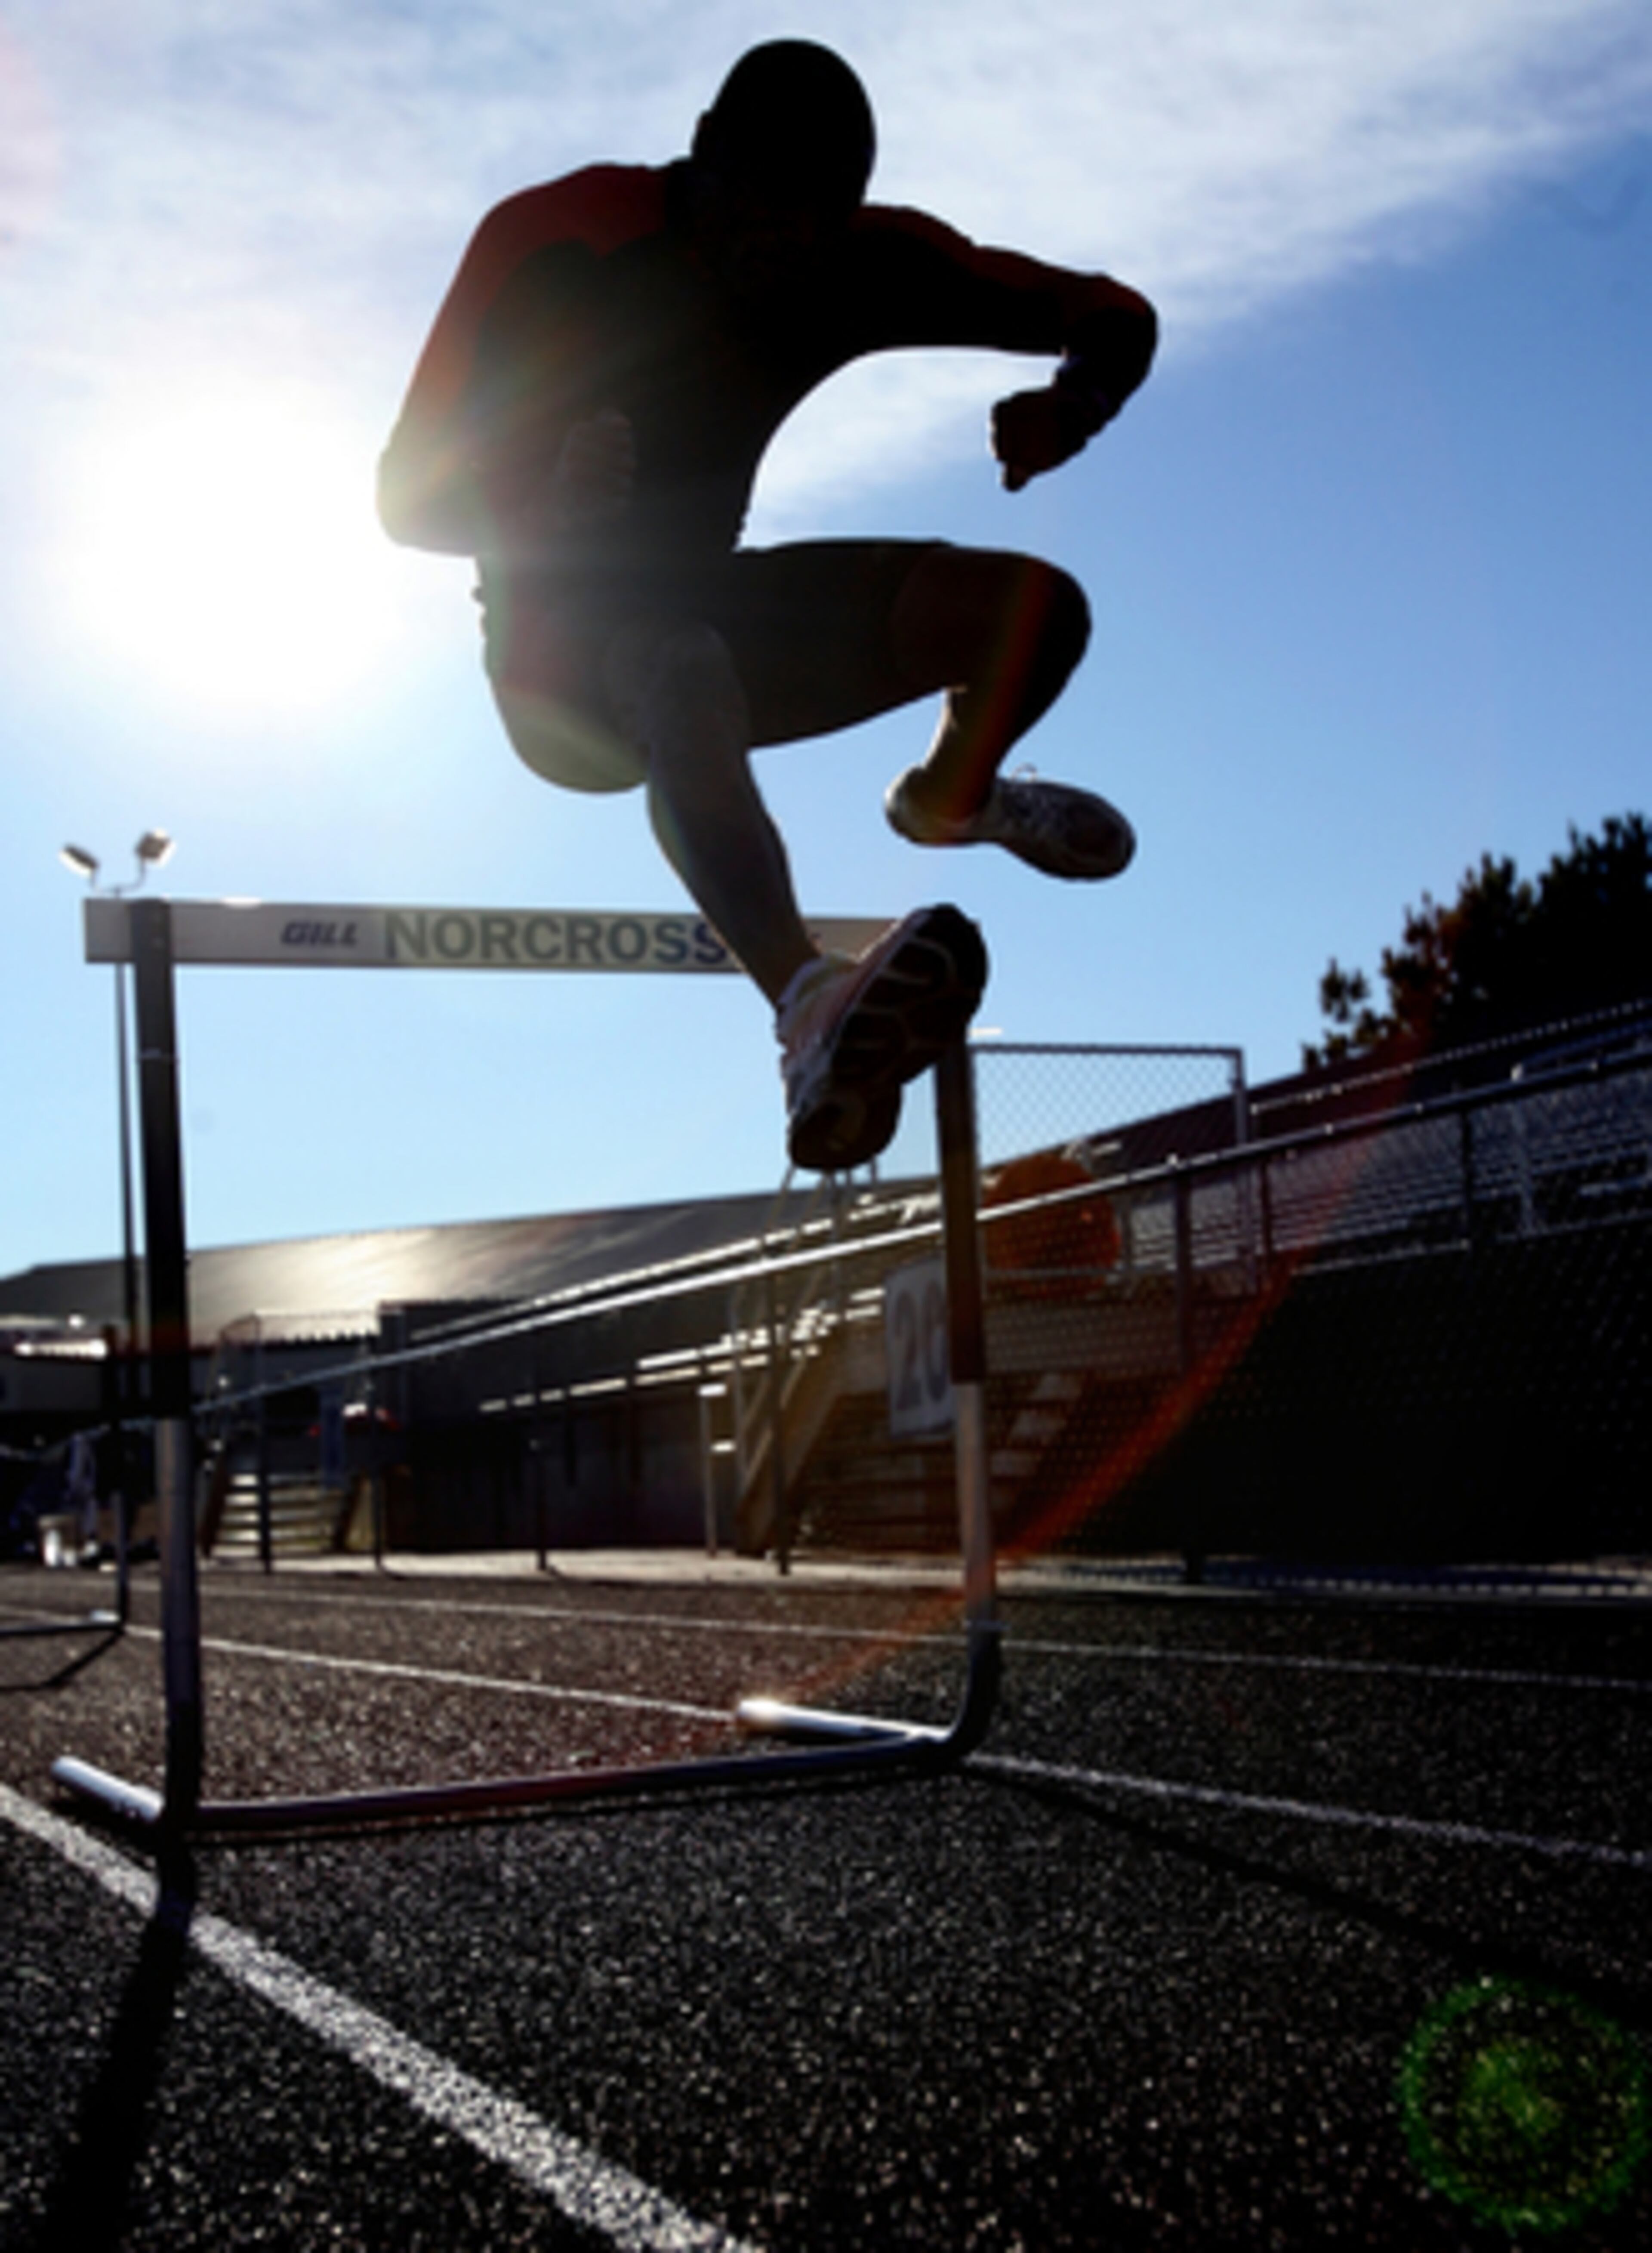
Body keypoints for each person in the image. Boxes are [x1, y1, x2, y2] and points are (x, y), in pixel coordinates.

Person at [379, 40, 1157, 1171]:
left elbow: (1116, 311)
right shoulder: (560, 242)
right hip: (559, 650)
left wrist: (1076, 402)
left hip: (716, 597)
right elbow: (400, 497)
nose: (774, 261)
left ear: (845, 215)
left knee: (1039, 610)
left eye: (807, 236)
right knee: (683, 663)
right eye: (754, 224)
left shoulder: (860, 258)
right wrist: (536, 495)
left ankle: (953, 798)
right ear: (701, 157)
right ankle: (808, 1013)